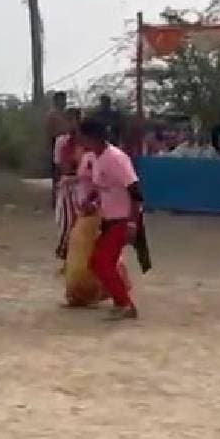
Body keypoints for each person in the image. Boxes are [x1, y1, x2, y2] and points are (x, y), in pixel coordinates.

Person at [77, 118, 151, 321]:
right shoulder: (96, 157)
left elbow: (135, 192)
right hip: (109, 217)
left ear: (92, 137)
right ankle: (120, 299)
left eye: (82, 136)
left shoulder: (116, 158)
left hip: (123, 218)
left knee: (103, 262)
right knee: (97, 262)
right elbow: (102, 186)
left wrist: (132, 222)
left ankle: (125, 303)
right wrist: (90, 201)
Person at [53, 109, 84, 260]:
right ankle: (66, 253)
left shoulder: (85, 142)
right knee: (68, 222)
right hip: (70, 185)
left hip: (83, 185)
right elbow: (61, 166)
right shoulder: (62, 142)